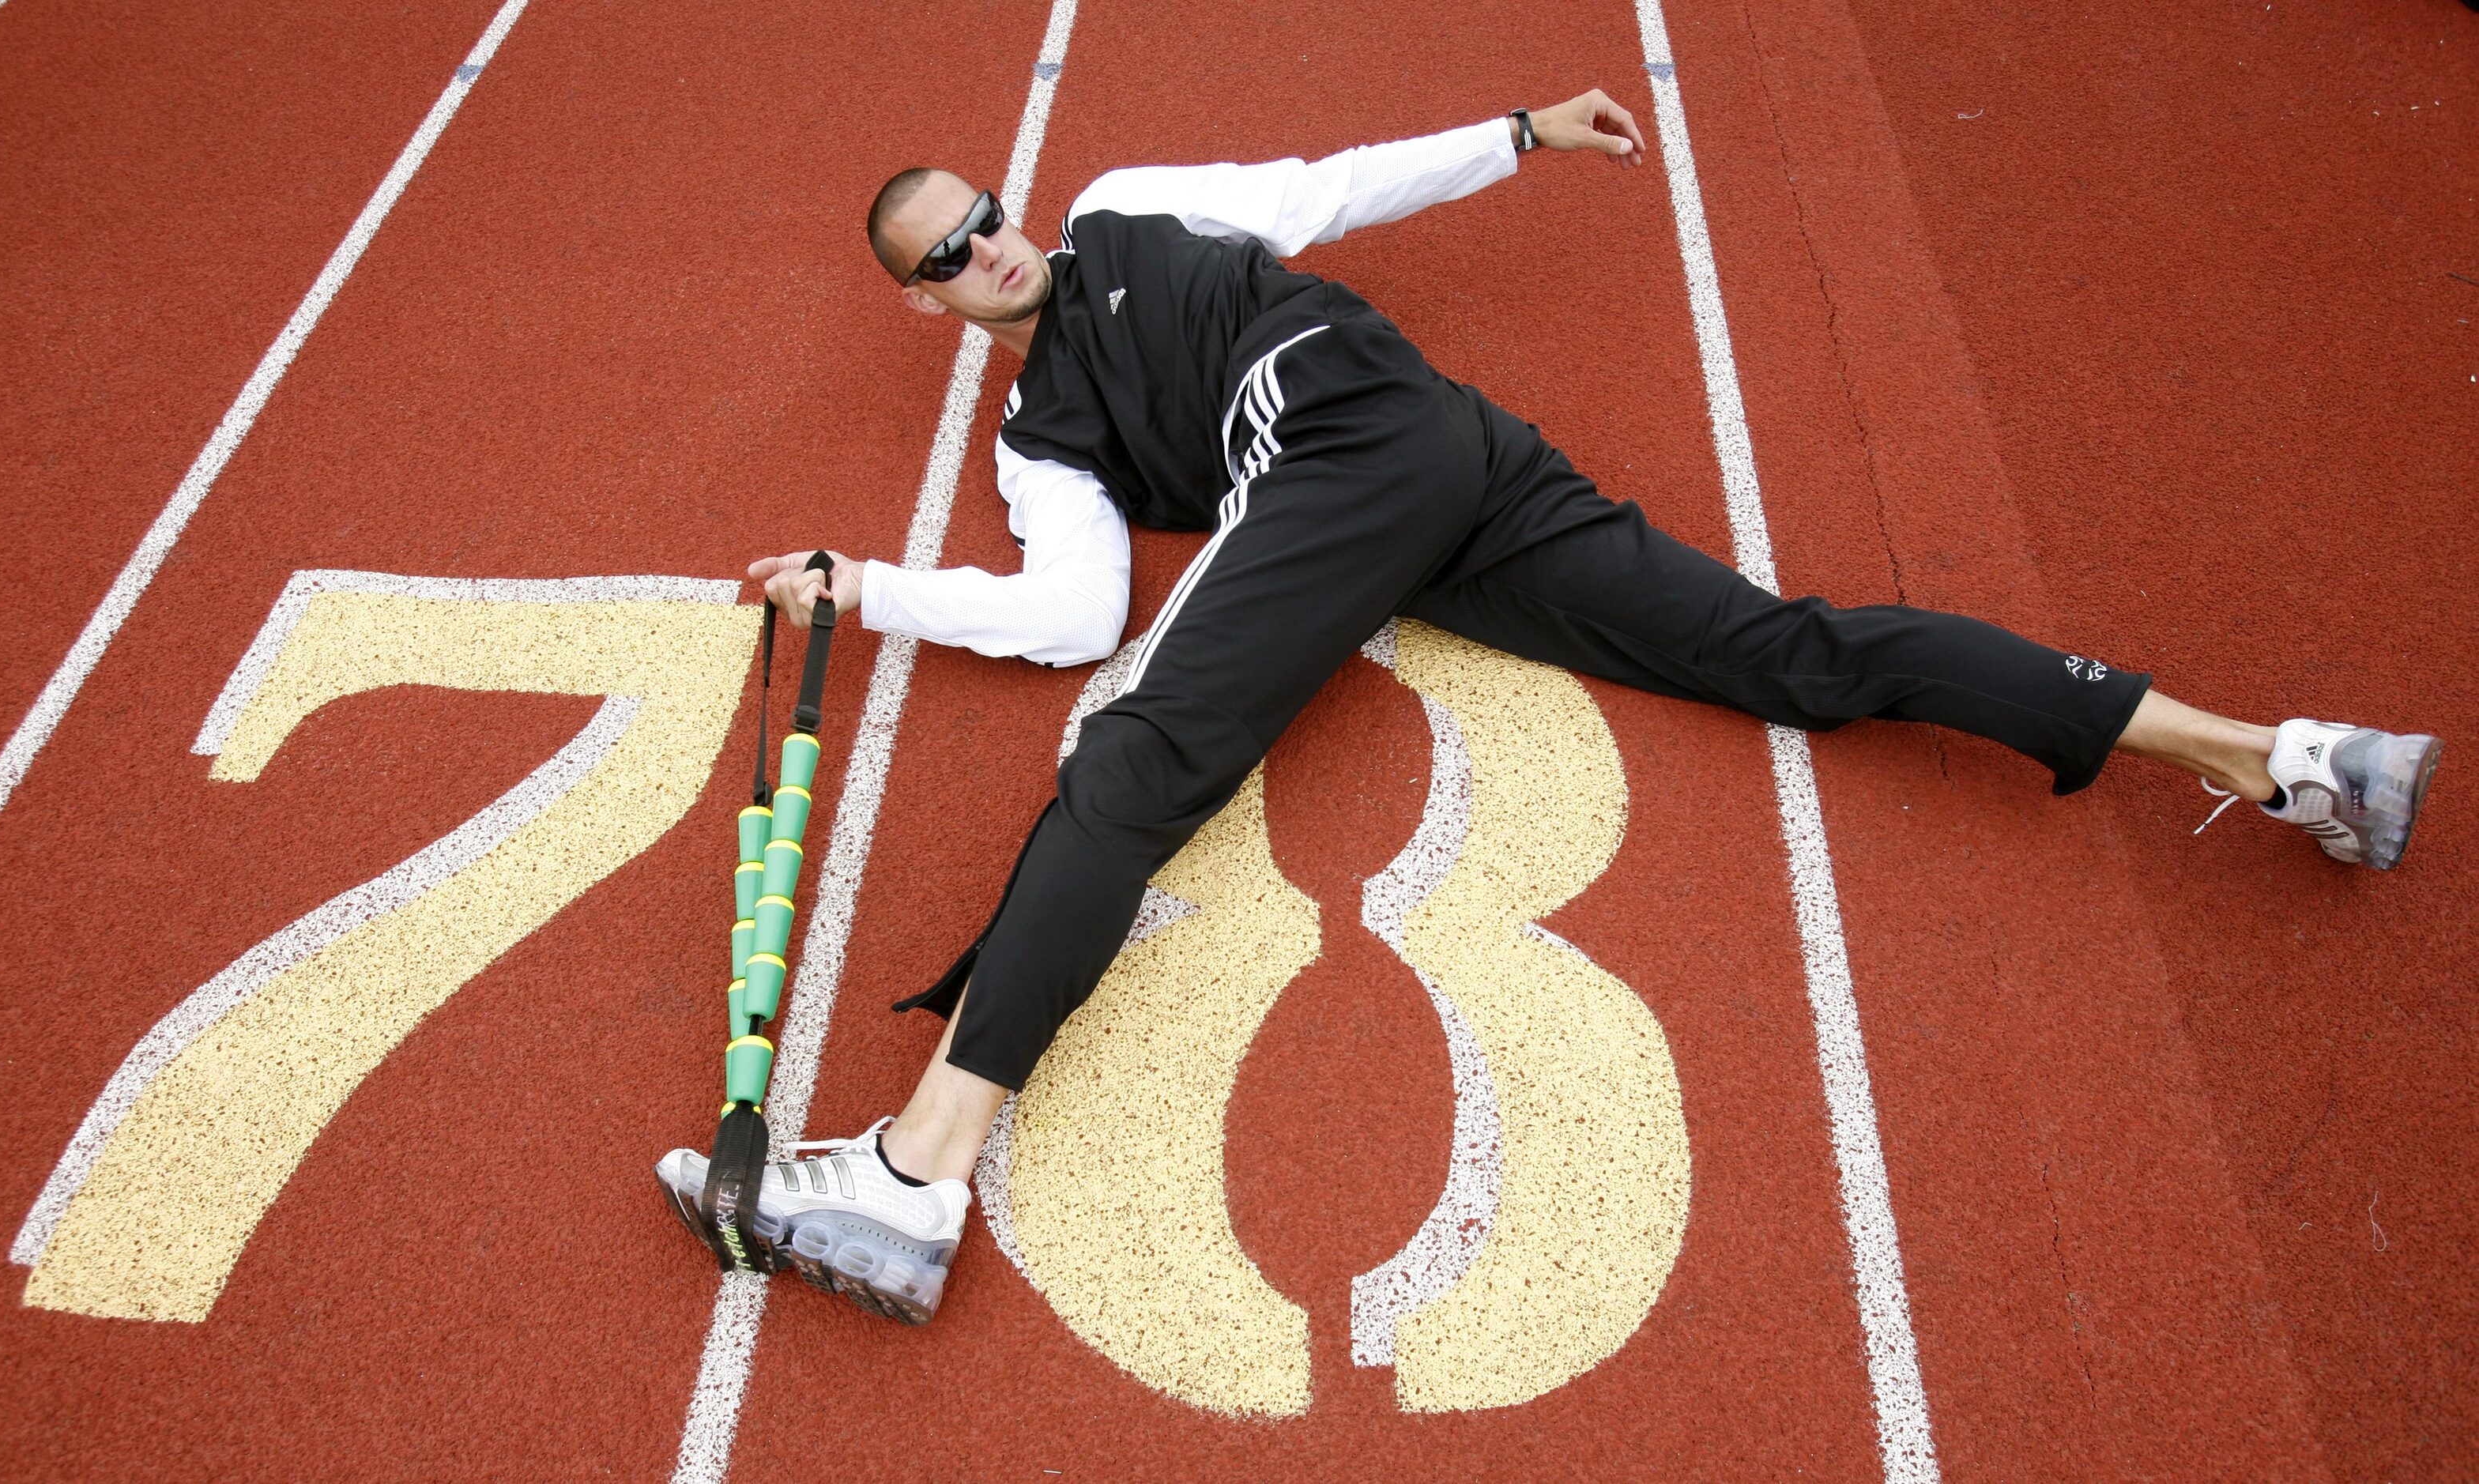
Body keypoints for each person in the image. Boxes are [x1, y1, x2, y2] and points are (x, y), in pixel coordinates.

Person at [657, 89, 2442, 1325]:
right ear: (919, 304)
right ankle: (2285, 758)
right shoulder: (1038, 439)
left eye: (989, 216)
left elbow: (1325, 184)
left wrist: (1509, 137)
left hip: (1369, 435)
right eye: (951, 256)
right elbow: (1069, 610)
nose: (994, 249)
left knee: (1125, 764)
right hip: (1433, 500)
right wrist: (867, 589)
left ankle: (908, 1176)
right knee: (1788, 657)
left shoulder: (1132, 207)